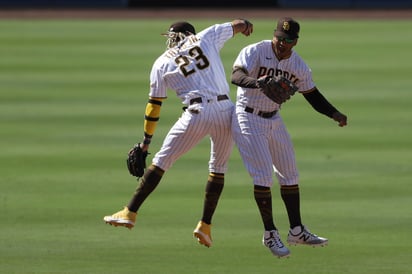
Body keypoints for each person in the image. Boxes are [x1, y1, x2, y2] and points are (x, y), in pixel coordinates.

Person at [103, 19, 254, 248]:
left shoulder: (161, 62)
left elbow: (154, 106)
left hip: (197, 113)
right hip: (226, 111)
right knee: (218, 168)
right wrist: (245, 25)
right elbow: (239, 23)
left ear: (173, 37)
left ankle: (130, 212)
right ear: (190, 34)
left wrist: (145, 142)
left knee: (162, 161)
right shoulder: (206, 36)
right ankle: (205, 226)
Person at [230, 17, 347, 258]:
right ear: (274, 35)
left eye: (289, 40)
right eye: (280, 38)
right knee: (263, 176)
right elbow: (236, 76)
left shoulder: (298, 65)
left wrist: (334, 113)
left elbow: (312, 95)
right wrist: (258, 83)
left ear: (296, 42)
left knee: (290, 174)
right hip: (247, 116)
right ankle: (270, 234)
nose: (283, 43)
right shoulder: (255, 51)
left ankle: (296, 230)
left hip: (274, 118)